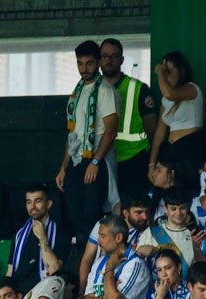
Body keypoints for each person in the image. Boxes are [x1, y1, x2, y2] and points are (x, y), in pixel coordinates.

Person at [57, 40, 119, 242]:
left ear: (99, 63)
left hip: (95, 160)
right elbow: (72, 133)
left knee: (92, 215)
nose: (84, 69)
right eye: (80, 64)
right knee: (74, 213)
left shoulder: (105, 90)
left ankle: (94, 261)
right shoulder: (77, 91)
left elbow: (110, 131)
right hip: (76, 159)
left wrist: (95, 162)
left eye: (89, 63)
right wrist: (63, 167)